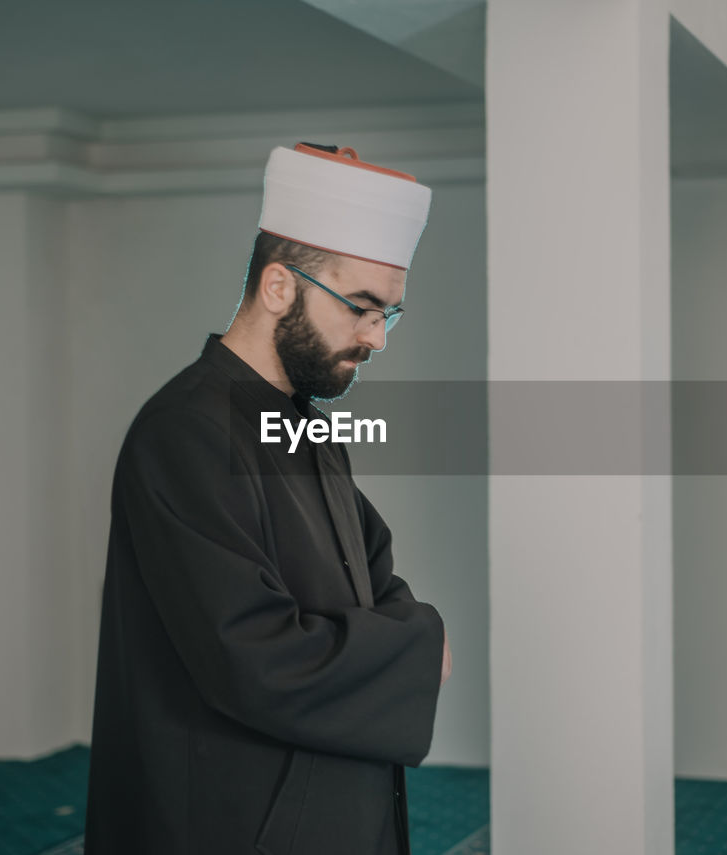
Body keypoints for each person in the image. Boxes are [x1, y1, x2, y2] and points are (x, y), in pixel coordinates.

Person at [83, 143, 452, 855]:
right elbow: (250, 655)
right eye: (363, 308)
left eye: (390, 315)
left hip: (329, 797)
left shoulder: (305, 424)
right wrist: (415, 648)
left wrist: (406, 633)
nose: (376, 337)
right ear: (279, 286)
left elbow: (378, 577)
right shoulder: (183, 433)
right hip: (235, 818)